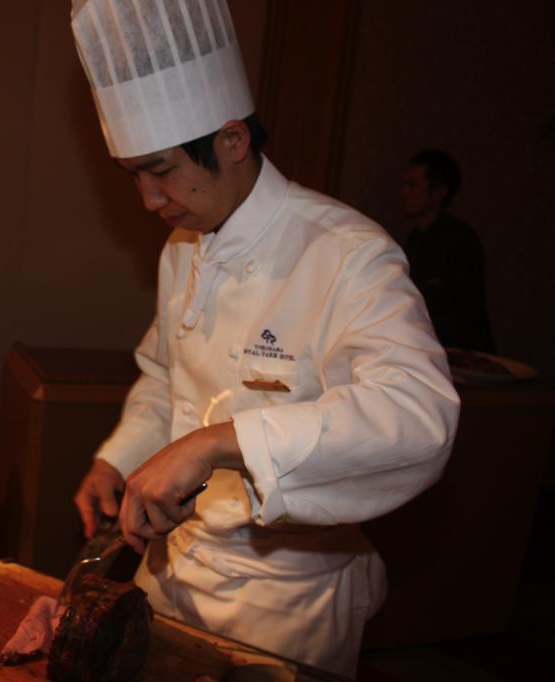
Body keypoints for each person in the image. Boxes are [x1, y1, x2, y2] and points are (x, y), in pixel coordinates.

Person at [69, 2, 459, 675]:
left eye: (160, 171)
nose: (148, 199)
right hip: (169, 571)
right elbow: (165, 378)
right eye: (133, 174)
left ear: (232, 141)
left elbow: (418, 416)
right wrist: (119, 460)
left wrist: (218, 443)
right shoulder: (181, 248)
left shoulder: (347, 253)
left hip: (286, 603)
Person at [400, 149, 494, 352]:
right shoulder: (415, 238)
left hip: (458, 351)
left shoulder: (460, 239)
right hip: (427, 346)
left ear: (439, 193)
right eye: (404, 184)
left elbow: (462, 311)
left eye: (413, 185)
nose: (404, 192)